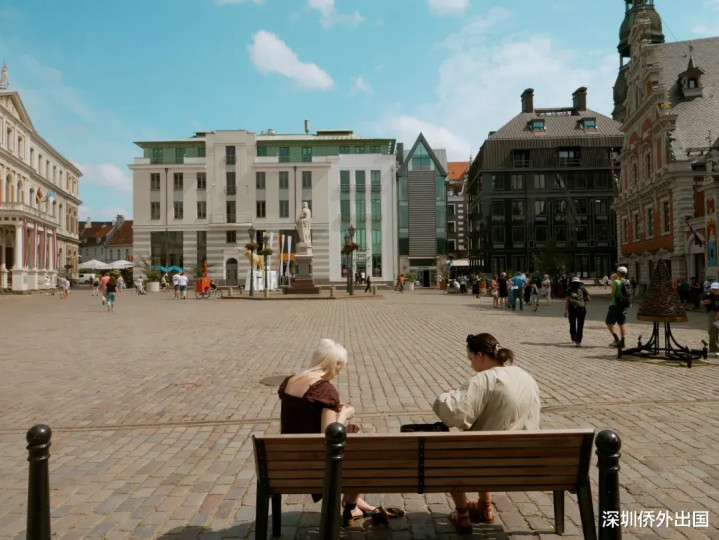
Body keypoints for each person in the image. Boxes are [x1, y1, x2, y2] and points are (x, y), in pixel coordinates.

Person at [433, 333, 541, 533]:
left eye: (470, 358)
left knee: (453, 452)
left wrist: (447, 396)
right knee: (489, 438)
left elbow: (455, 415)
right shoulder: (524, 376)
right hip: (523, 460)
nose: (470, 364)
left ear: (480, 355)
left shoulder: (484, 379)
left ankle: (463, 515)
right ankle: (485, 507)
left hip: (486, 460)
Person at [277, 340, 373, 525]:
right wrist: (344, 414)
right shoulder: (325, 390)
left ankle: (353, 501)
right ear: (332, 364)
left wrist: (331, 408)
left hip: (290, 456)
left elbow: (300, 413)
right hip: (316, 461)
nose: (338, 373)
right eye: (339, 368)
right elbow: (329, 436)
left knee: (353, 434)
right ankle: (351, 504)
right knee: (358, 443)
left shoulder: (290, 381)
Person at [606, 267, 630, 348]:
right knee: (621, 324)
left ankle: (616, 340)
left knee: (609, 323)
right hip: (624, 305)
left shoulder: (616, 282)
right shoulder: (627, 281)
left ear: (618, 273)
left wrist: (613, 281)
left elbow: (612, 295)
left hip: (615, 305)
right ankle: (622, 342)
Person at [565, 277, 590, 347]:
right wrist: (581, 300)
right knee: (580, 325)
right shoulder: (583, 289)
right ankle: (578, 341)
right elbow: (588, 299)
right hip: (581, 309)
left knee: (572, 324)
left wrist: (565, 310)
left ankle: (573, 337)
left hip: (572, 310)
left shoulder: (569, 289)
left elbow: (567, 300)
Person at [700, 282, 719, 357]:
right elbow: (701, 302)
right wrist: (704, 302)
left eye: (716, 289)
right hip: (712, 314)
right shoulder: (709, 295)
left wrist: (718, 315)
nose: (714, 291)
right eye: (713, 289)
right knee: (712, 332)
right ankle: (714, 350)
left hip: (717, 314)